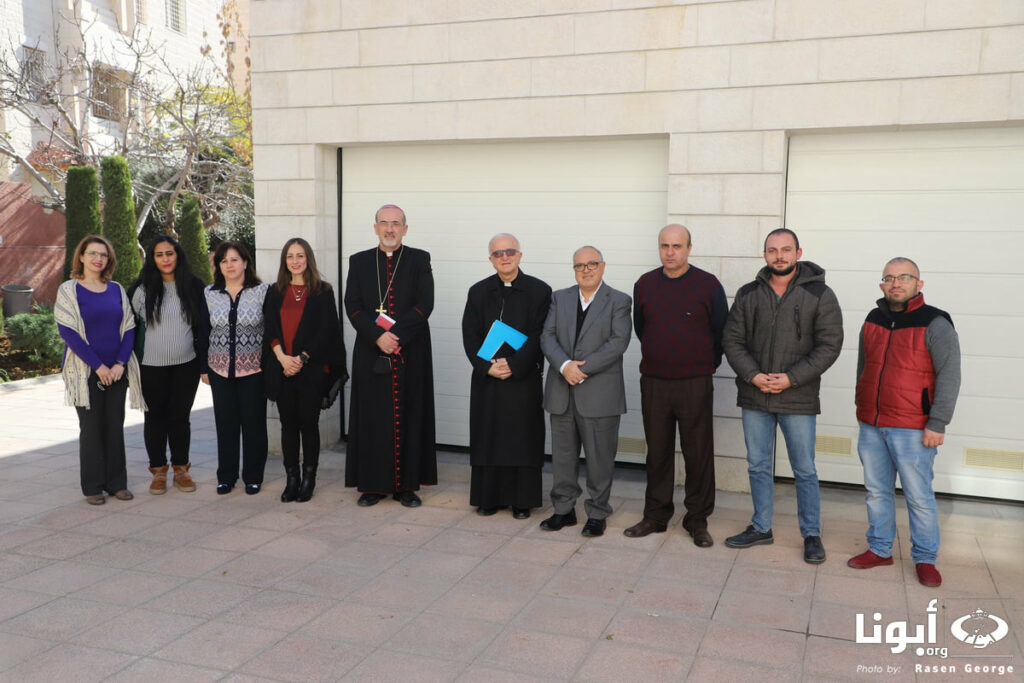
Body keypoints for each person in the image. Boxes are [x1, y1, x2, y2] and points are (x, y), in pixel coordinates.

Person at [722, 228, 843, 564]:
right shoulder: (748, 294)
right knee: (758, 465)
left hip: (798, 398)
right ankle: (761, 526)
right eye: (772, 250)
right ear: (765, 255)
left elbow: (830, 345)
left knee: (804, 468)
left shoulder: (820, 294)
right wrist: (754, 375)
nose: (779, 256)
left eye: (786, 249)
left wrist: (790, 379)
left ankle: (811, 533)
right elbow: (732, 340)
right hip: (755, 394)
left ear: (798, 252)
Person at [848, 258, 960, 588]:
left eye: (904, 277)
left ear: (918, 284)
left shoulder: (936, 323)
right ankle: (880, 549)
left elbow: (950, 376)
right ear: (882, 285)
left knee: (918, 496)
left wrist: (937, 423)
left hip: (913, 427)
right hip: (872, 424)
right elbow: (862, 366)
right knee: (876, 492)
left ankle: (925, 558)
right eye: (889, 278)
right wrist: (861, 407)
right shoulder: (873, 320)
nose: (896, 283)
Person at [623, 225, 727, 547]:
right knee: (657, 452)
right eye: (664, 245)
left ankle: (697, 519)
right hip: (655, 382)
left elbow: (721, 332)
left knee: (698, 454)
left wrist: (702, 365)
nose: (670, 252)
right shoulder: (645, 284)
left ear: (689, 248)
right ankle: (655, 515)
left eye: (677, 246)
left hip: (694, 382)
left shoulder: (708, 285)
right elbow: (642, 328)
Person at [344, 204, 436, 507]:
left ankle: (406, 487)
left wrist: (396, 336)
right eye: (383, 223)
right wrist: (377, 336)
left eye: (396, 223)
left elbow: (426, 303)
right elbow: (353, 305)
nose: (389, 229)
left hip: (411, 350)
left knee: (410, 414)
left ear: (405, 229)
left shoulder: (419, 259)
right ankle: (372, 485)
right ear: (375, 228)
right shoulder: (358, 262)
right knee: (372, 417)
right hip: (372, 352)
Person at [538, 246, 631, 537]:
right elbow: (547, 336)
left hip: (600, 394)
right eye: (579, 265)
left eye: (592, 264)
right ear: (574, 269)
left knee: (599, 459)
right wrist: (565, 365)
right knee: (563, 459)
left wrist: (582, 368)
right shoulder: (559, 298)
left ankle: (597, 513)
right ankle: (563, 511)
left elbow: (618, 343)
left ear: (603, 266)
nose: (586, 269)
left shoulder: (619, 300)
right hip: (562, 391)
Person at [461, 234, 552, 519]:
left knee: (522, 438)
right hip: (487, 379)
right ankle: (488, 499)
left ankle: (521, 501)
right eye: (498, 253)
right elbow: (469, 334)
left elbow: (541, 334)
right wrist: (485, 366)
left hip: (522, 379)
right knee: (488, 436)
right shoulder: (478, 292)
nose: (504, 257)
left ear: (520, 255)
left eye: (510, 251)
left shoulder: (540, 291)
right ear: (491, 259)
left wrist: (514, 364)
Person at [54, 235, 144, 505]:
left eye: (103, 255)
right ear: (81, 256)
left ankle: (117, 483)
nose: (98, 259)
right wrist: (99, 366)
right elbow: (68, 331)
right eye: (92, 253)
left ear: (109, 260)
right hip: (85, 371)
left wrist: (118, 364)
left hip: (117, 371)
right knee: (91, 427)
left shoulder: (116, 289)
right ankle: (93, 486)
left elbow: (129, 327)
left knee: (114, 425)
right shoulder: (69, 290)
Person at [264, 238, 347, 503]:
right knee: (288, 426)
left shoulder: (323, 291)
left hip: (311, 370)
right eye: (290, 256)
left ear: (308, 258)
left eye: (300, 255)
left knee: (308, 425)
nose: (295, 261)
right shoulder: (275, 291)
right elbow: (270, 328)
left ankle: (309, 478)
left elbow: (328, 330)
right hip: (283, 368)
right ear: (284, 261)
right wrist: (282, 358)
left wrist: (301, 358)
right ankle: (292, 479)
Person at [128, 235, 205, 495]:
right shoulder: (141, 289)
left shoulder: (193, 286)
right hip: (151, 366)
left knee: (180, 418)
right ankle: (158, 472)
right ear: (152, 259)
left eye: (169, 253)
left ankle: (181, 470)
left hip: (186, 365)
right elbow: (128, 327)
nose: (165, 259)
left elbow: (203, 326)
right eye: (159, 254)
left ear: (178, 255)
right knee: (155, 418)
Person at [201, 241, 270, 495]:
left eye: (234, 259)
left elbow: (270, 330)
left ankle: (253, 476)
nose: (229, 265)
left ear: (245, 262)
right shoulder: (210, 293)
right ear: (219, 266)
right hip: (219, 370)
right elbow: (203, 331)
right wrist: (204, 368)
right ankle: (226, 476)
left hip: (253, 371)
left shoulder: (262, 291)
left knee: (254, 425)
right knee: (225, 425)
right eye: (223, 261)